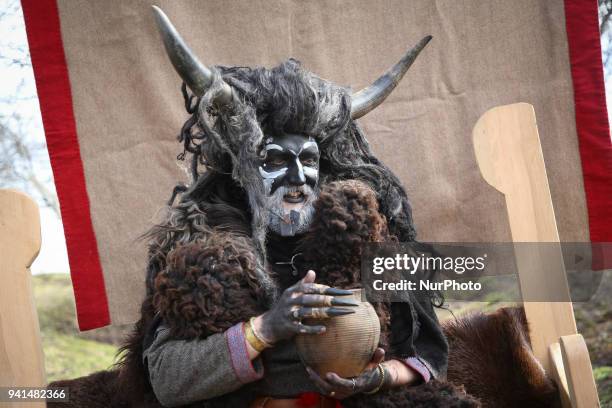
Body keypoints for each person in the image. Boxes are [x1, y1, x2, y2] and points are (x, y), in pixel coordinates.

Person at [124, 7, 449, 408]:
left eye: (308, 160)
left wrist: (377, 376)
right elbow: (166, 378)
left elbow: (429, 357)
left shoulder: (365, 237)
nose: (299, 176)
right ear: (242, 169)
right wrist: (266, 327)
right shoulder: (202, 252)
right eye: (276, 160)